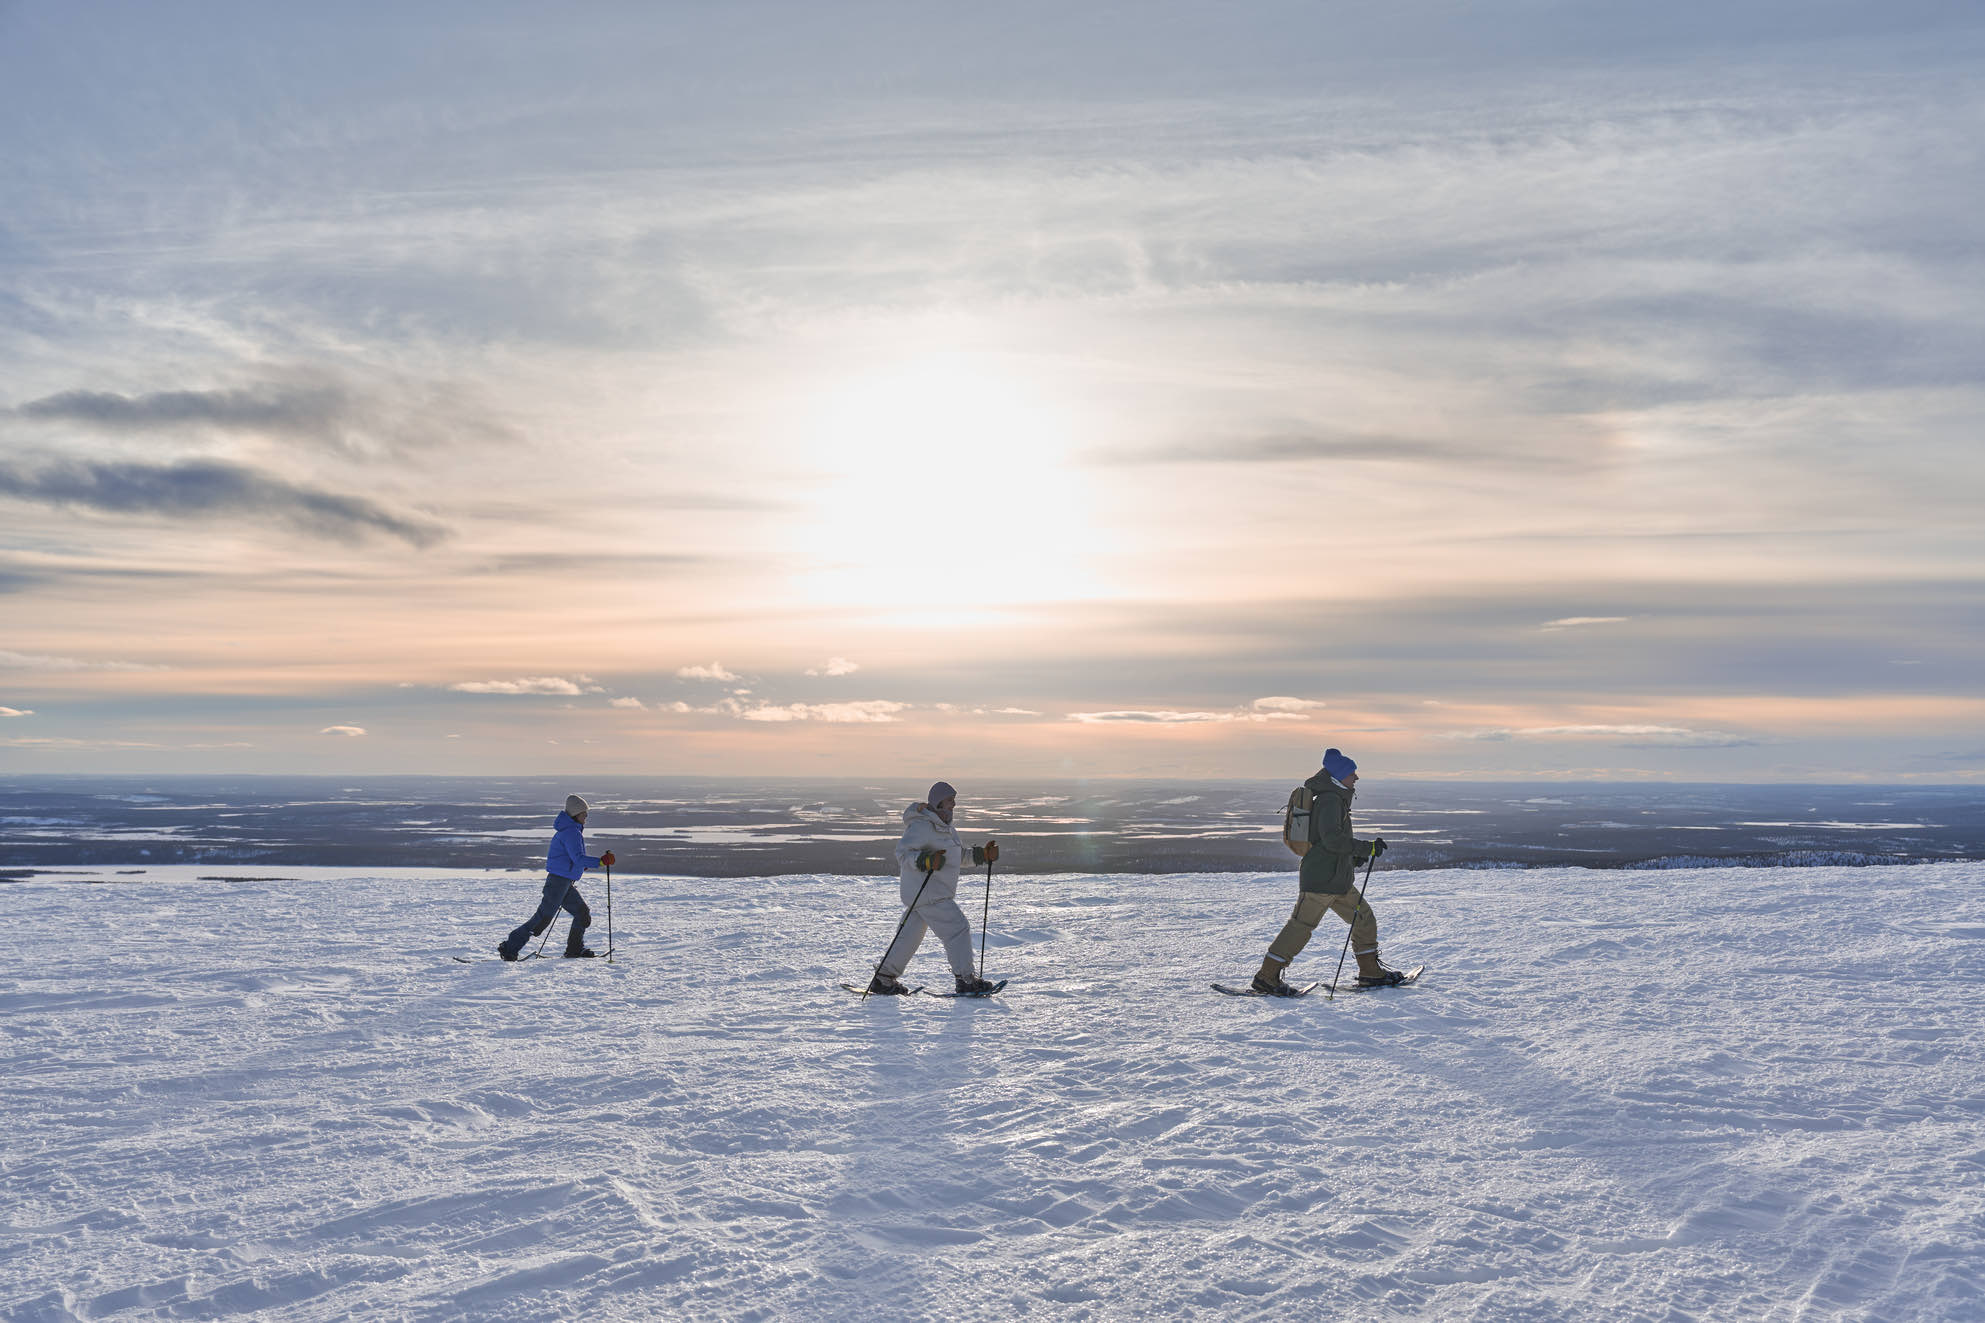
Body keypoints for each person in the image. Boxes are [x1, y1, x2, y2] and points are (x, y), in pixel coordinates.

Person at [1252, 748, 1407, 994]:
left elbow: (1331, 843)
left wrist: (1352, 859)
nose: (1356, 777)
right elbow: (1332, 840)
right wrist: (1367, 849)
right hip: (1321, 879)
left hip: (1337, 879)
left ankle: (1370, 972)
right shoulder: (1330, 800)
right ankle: (1267, 978)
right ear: (1339, 776)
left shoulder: (1335, 798)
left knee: (1364, 919)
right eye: (1352, 773)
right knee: (1300, 927)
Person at [868, 781, 1000, 995]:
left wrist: (982, 856)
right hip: (929, 892)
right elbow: (903, 854)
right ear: (938, 802)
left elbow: (954, 859)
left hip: (926, 894)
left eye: (954, 800)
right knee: (958, 929)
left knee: (908, 937)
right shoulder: (922, 825)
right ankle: (966, 981)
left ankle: (883, 979)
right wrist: (925, 861)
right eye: (950, 800)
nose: (954, 804)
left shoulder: (945, 827)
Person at [499, 794, 615, 961]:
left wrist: (584, 864)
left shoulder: (573, 831)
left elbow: (572, 858)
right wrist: (601, 862)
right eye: (584, 813)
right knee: (542, 920)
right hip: (557, 883)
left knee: (582, 913)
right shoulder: (571, 833)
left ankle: (574, 949)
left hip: (565, 882)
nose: (586, 817)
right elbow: (577, 858)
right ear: (576, 814)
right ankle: (509, 947)